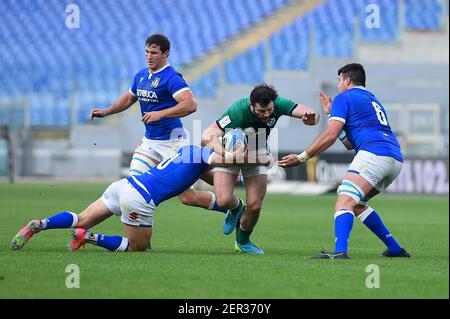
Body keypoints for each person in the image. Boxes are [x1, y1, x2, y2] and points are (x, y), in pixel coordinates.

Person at [11, 144, 273, 252]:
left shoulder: (186, 152)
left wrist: (236, 189)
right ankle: (88, 237)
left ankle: (39, 224)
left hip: (123, 185)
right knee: (139, 247)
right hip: (140, 199)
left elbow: (212, 182)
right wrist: (251, 156)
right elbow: (224, 160)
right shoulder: (205, 152)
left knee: (81, 217)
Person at [278, 63, 410, 259]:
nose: (339, 85)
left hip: (373, 154)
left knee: (344, 200)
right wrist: (331, 113)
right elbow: (348, 143)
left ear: (347, 80)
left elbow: (330, 136)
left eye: (340, 80)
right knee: (356, 204)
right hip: (394, 159)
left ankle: (340, 251)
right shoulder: (371, 99)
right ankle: (395, 248)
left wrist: (302, 157)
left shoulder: (344, 97)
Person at [89, 33, 228, 216]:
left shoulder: (171, 77)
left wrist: (160, 114)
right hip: (149, 143)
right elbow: (130, 97)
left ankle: (231, 205)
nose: (149, 56)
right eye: (147, 52)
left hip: (173, 142)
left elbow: (190, 104)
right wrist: (107, 111)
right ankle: (135, 233)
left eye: (154, 52)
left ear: (166, 54)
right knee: (133, 189)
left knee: (187, 197)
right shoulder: (141, 76)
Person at [202, 83, 319, 254]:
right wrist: (226, 154)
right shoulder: (238, 111)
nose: (266, 115)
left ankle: (242, 242)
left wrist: (313, 117)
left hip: (258, 149)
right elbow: (208, 135)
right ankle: (236, 208)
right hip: (232, 150)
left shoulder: (277, 104)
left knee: (255, 205)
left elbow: (304, 111)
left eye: (269, 110)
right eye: (261, 111)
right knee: (223, 201)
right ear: (251, 105)